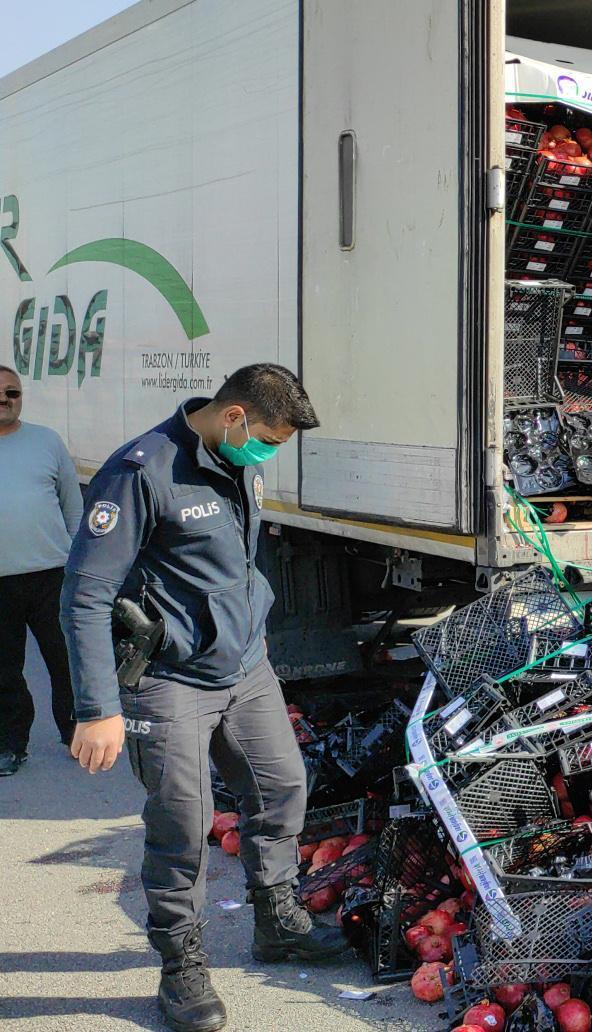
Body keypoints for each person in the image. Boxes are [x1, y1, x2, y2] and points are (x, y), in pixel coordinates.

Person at [61, 364, 342, 1032]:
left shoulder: (234, 460)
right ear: (234, 416)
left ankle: (277, 921)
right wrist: (96, 707)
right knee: (182, 825)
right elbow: (86, 592)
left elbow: (235, 566)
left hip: (244, 670)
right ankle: (181, 967)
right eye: (268, 439)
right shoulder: (142, 473)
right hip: (168, 680)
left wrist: (256, 635)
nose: (269, 453)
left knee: (281, 790)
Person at [0, 364, 82, 775]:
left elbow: (73, 506)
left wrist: (76, 559)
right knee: (4, 671)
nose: (4, 400)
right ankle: (11, 745)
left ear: (21, 397)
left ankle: (77, 736)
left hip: (51, 575)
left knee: (65, 661)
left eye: (11, 393)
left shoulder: (46, 442)